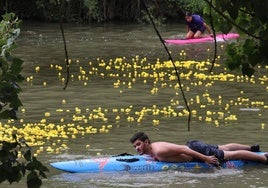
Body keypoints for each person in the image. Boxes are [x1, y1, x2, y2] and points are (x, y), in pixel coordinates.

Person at [130, 132, 268, 165]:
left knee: (231, 155)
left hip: (196, 151)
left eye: (138, 144)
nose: (137, 148)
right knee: (223, 147)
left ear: (146, 142)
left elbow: (184, 150)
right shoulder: (152, 149)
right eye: (135, 146)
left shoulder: (159, 150)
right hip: (195, 147)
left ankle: (263, 158)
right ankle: (252, 148)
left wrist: (206, 158)